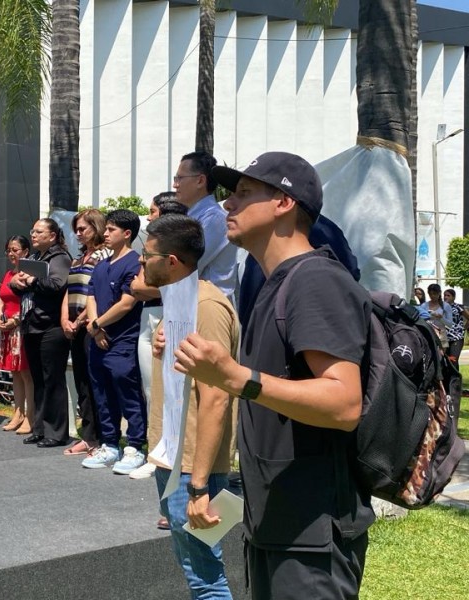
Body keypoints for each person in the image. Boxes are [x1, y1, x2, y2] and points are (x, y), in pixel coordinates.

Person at [174, 152, 374, 599]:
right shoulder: (271, 285)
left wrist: (237, 377)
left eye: (244, 194)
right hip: (275, 523)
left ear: (284, 203)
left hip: (313, 533)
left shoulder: (315, 281)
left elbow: (344, 403)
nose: (228, 204)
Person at [142, 214, 238, 599]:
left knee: (205, 574)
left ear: (171, 261)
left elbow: (217, 395)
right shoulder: (178, 300)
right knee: (193, 563)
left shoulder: (208, 306)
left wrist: (199, 485)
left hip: (193, 467)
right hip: (171, 457)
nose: (140, 264)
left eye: (146, 256)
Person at [129, 193, 190, 481]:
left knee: (171, 389)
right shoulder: (149, 245)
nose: (149, 217)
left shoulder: (182, 243)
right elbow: (137, 286)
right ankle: (157, 450)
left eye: (152, 211)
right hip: (149, 315)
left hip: (170, 314)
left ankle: (171, 452)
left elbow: (163, 286)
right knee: (151, 388)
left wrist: (152, 287)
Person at [81, 209, 146, 474]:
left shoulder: (134, 263)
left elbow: (128, 303)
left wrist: (97, 324)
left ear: (127, 233)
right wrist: (95, 329)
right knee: (102, 393)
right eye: (105, 229)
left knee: (127, 391)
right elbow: (92, 296)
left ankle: (135, 446)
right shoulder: (101, 265)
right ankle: (109, 444)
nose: (105, 234)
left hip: (123, 340)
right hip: (99, 340)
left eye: (111, 230)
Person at [9, 218, 72, 448]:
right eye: (32, 231)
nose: (33, 235)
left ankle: (56, 432)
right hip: (31, 324)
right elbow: (15, 286)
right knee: (38, 380)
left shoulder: (60, 258)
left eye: (38, 231)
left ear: (52, 235)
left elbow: (57, 284)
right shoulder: (34, 258)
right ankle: (39, 428)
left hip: (51, 326)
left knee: (52, 379)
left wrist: (32, 281)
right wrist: (18, 282)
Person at [60, 209, 110, 456]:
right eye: (76, 229)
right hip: (74, 326)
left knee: (94, 383)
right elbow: (69, 291)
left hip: (92, 326)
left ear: (96, 227)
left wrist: (79, 321)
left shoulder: (104, 255)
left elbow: (96, 293)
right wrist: (64, 320)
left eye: (83, 228)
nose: (78, 233)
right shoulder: (78, 258)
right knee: (81, 383)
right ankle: (88, 435)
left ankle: (100, 437)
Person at [172, 152, 238, 304]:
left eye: (180, 178)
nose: (175, 185)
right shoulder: (192, 217)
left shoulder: (214, 219)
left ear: (200, 180)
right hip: (193, 304)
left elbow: (183, 267)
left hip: (209, 307)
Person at [0, 236, 36, 434]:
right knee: (15, 373)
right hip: (7, 329)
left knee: (27, 374)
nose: (11, 253)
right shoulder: (9, 274)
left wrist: (16, 320)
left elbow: (31, 301)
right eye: (9, 250)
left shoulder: (29, 274)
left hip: (21, 327)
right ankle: (17, 413)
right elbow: (2, 298)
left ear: (26, 251)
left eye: (16, 250)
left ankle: (31, 416)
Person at [424, 283, 453, 350]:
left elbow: (450, 324)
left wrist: (440, 317)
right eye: (430, 294)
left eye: (434, 293)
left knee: (441, 357)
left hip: (441, 335)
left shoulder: (446, 306)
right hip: (428, 334)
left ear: (439, 293)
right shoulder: (424, 305)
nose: (432, 296)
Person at [444, 288, 468, 364]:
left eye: (448, 295)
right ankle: (454, 375)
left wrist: (465, 327)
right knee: (447, 360)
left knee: (453, 359)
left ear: (453, 297)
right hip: (444, 338)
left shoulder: (459, 307)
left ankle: (454, 376)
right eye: (444, 295)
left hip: (456, 337)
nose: (446, 297)